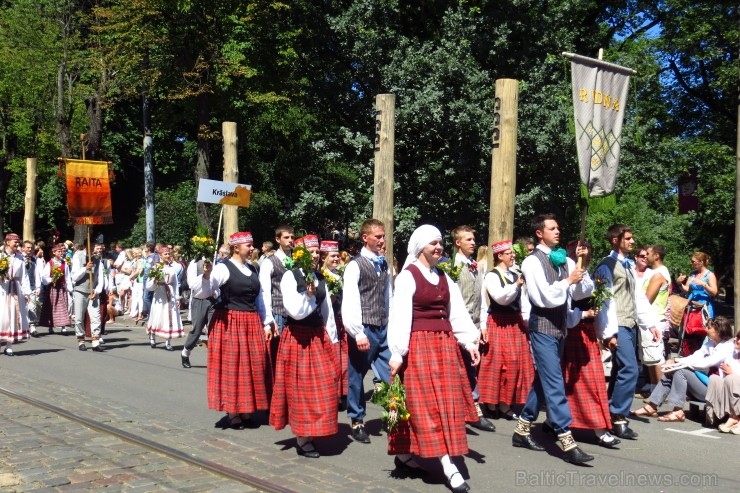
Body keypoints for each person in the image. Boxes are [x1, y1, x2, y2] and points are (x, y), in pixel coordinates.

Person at [387, 225, 480, 493]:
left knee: (445, 404)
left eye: (440, 243)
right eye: (433, 244)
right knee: (424, 406)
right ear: (420, 247)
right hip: (419, 347)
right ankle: (447, 465)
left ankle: (405, 456)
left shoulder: (444, 277)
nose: (438, 247)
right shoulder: (408, 277)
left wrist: (469, 341)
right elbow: (400, 316)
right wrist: (397, 352)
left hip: (444, 346)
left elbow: (457, 313)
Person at [512, 214, 595, 464]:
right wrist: (568, 280)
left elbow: (583, 291)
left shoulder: (565, 260)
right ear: (540, 233)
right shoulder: (531, 262)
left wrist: (581, 266)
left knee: (544, 380)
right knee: (555, 382)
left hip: (560, 328)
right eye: (552, 228)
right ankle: (566, 439)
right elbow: (542, 298)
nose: (557, 231)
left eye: (558, 227)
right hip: (542, 328)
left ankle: (522, 429)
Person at [270, 234, 339, 458]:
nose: (316, 255)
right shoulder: (291, 276)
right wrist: (308, 295)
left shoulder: (319, 276)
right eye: (311, 252)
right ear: (300, 255)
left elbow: (327, 310)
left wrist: (333, 339)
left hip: (318, 336)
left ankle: (314, 429)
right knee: (300, 388)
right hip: (298, 338)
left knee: (323, 385)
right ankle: (302, 437)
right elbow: (295, 311)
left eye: (318, 252)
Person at [595, 224, 660, 440]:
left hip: (630, 324)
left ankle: (608, 412)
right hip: (617, 324)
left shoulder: (628, 265)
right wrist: (608, 333)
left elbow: (637, 297)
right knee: (630, 369)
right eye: (628, 238)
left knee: (620, 370)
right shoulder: (607, 266)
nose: (632, 242)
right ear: (616, 239)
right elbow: (605, 302)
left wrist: (650, 324)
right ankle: (618, 416)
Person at [206, 232, 273, 429]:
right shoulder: (223, 268)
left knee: (252, 365)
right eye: (249, 245)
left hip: (251, 321)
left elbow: (259, 298)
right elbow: (209, 289)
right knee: (234, 366)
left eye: (252, 245)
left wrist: (266, 322)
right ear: (236, 248)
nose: (252, 248)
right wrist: (206, 274)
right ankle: (233, 411)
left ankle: (245, 407)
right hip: (231, 321)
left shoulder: (252, 268)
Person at [560, 241, 621, 448]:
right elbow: (576, 296)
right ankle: (598, 429)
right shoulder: (569, 276)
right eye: (580, 251)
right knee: (581, 381)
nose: (585, 254)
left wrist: (606, 333)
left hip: (587, 333)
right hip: (574, 331)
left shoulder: (591, 275)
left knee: (586, 381)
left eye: (588, 251)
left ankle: (557, 422)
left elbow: (603, 307)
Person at [341, 218, 393, 444]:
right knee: (357, 376)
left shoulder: (384, 263)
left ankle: (394, 416)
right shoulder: (355, 265)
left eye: (383, 236)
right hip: (365, 328)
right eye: (378, 236)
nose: (382, 240)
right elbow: (350, 300)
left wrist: (392, 325)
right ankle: (357, 420)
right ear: (365, 238)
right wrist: (358, 332)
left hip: (383, 327)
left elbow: (388, 297)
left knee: (393, 375)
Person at [632, 316, 734, 422]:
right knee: (671, 370)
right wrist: (676, 361)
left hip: (717, 391)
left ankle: (678, 411)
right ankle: (651, 406)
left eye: (710, 328)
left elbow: (705, 363)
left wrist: (678, 361)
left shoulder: (727, 347)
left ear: (718, 331)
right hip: (708, 385)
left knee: (681, 371)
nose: (706, 330)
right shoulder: (710, 344)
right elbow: (695, 357)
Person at [478, 239, 533, 422]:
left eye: (513, 253)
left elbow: (523, 300)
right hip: (498, 322)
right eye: (509, 253)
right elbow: (501, 298)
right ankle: (492, 403)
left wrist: (526, 319)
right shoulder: (492, 276)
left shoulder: (516, 274)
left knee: (515, 363)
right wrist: (516, 285)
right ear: (499, 256)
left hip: (514, 322)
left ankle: (505, 403)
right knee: (496, 364)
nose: (513, 256)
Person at [449, 226, 495, 432]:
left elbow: (481, 298)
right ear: (458, 243)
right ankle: (469, 411)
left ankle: (470, 410)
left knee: (471, 368)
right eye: (468, 239)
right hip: (457, 326)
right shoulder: (452, 267)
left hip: (475, 324)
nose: (473, 242)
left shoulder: (475, 266)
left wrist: (483, 324)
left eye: (473, 238)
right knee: (460, 369)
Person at [259, 225, 295, 366]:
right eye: (286, 237)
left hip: (294, 314)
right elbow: (265, 292)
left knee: (291, 356)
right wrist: (269, 319)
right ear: (277, 239)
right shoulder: (270, 262)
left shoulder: (298, 259)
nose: (290, 240)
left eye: (292, 237)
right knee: (277, 355)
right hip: (278, 313)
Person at [321, 239, 348, 409]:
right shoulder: (321, 276)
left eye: (338, 256)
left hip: (340, 321)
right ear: (324, 257)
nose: (337, 259)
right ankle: (330, 394)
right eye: (333, 256)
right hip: (327, 322)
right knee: (329, 361)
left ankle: (341, 394)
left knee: (342, 361)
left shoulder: (340, 275)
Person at [642, 244, 672, 389]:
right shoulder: (654, 272)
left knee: (657, 358)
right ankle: (654, 390)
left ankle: (659, 395)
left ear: (656, 256)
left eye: (648, 253)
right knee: (650, 358)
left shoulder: (659, 274)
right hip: (650, 319)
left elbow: (646, 299)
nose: (645, 256)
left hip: (655, 319)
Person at [677, 251, 718, 354]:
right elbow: (687, 289)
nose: (692, 263)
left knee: (703, 331)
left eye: (693, 261)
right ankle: (689, 352)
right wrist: (679, 283)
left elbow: (714, 292)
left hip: (704, 308)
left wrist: (704, 284)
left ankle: (704, 354)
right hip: (692, 306)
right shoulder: (693, 274)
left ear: (701, 262)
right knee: (691, 330)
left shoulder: (709, 275)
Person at [181, 253, 217, 368]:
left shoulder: (212, 261)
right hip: (199, 300)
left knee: (214, 329)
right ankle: (185, 352)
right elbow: (192, 285)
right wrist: (205, 275)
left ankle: (215, 358)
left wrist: (215, 292)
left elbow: (216, 283)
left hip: (212, 301)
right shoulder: (194, 264)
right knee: (197, 330)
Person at [704, 320, 740, 432]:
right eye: (736, 337)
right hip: (730, 390)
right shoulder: (732, 356)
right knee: (715, 379)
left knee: (732, 378)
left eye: (739, 338)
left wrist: (733, 373)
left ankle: (735, 418)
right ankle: (716, 416)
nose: (736, 339)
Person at [145, 247, 183, 350]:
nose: (167, 256)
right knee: (157, 315)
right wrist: (155, 282)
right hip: (159, 295)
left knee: (169, 317)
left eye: (168, 254)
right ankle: (152, 336)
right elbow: (149, 285)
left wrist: (177, 298)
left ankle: (168, 341)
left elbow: (175, 284)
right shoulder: (156, 268)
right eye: (165, 254)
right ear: (160, 255)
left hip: (169, 295)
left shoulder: (172, 269)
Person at [70, 243, 105, 352]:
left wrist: (97, 291)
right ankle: (81, 340)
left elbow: (101, 279)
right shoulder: (78, 257)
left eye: (94, 248)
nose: (93, 250)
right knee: (79, 317)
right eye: (91, 247)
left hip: (92, 292)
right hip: (80, 291)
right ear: (86, 246)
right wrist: (85, 268)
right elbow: (74, 277)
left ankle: (95, 341)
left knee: (95, 317)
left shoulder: (98, 261)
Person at [0, 233, 31, 355]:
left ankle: (9, 345)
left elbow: (24, 276)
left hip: (15, 290)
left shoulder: (19, 257)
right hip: (2, 288)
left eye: (18, 242)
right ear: (7, 242)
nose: (17, 244)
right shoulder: (1, 255)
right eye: (15, 242)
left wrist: (27, 292)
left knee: (13, 316)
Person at [39, 244, 72, 334]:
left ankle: (63, 326)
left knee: (63, 306)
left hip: (61, 288)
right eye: (59, 251)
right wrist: (51, 280)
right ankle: (50, 325)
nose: (61, 253)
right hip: (52, 289)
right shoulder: (50, 263)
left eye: (61, 251)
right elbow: (44, 277)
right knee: (51, 307)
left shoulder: (64, 263)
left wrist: (69, 288)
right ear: (54, 252)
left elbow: (67, 276)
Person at [22, 240, 42, 337]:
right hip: (21, 287)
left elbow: (36, 274)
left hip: (32, 286)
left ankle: (32, 326)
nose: (29, 249)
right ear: (23, 248)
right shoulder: (19, 258)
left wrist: (38, 287)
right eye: (28, 247)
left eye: (31, 248)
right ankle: (21, 328)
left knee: (32, 307)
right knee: (21, 308)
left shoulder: (34, 259)